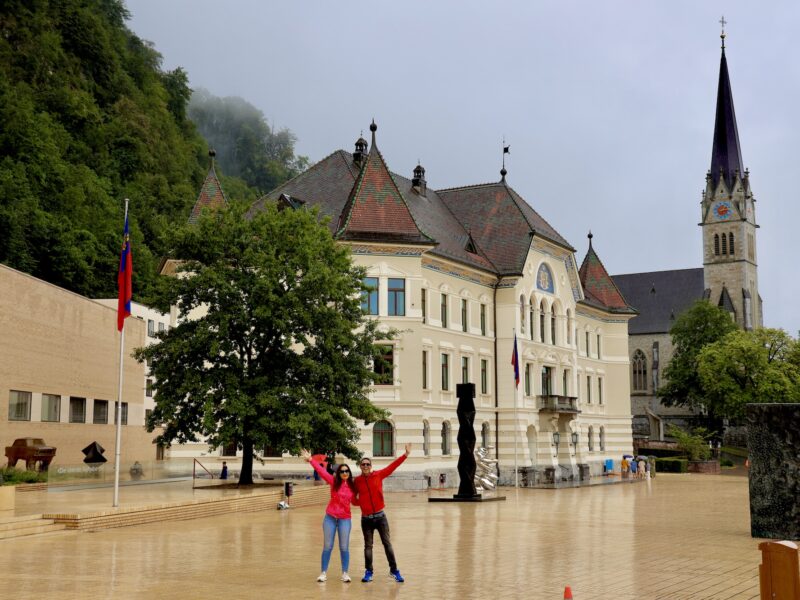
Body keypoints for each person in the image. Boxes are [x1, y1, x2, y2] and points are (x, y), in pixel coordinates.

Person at [354, 443, 410, 584]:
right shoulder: (357, 481)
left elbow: (392, 466)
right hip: (366, 518)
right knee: (368, 546)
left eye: (367, 464)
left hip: (380, 517)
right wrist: (362, 503)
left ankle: (394, 570)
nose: (365, 466)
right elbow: (353, 498)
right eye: (363, 464)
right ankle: (369, 572)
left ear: (370, 466)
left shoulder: (378, 475)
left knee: (387, 544)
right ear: (360, 467)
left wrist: (405, 455)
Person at [301, 449, 358, 583]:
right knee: (327, 546)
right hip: (330, 518)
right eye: (342, 471)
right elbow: (322, 471)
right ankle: (323, 573)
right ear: (339, 473)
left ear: (349, 473)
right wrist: (311, 460)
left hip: (345, 519)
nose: (344, 473)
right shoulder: (333, 482)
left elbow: (355, 502)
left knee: (344, 547)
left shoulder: (352, 487)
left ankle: (345, 573)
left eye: (346, 471)